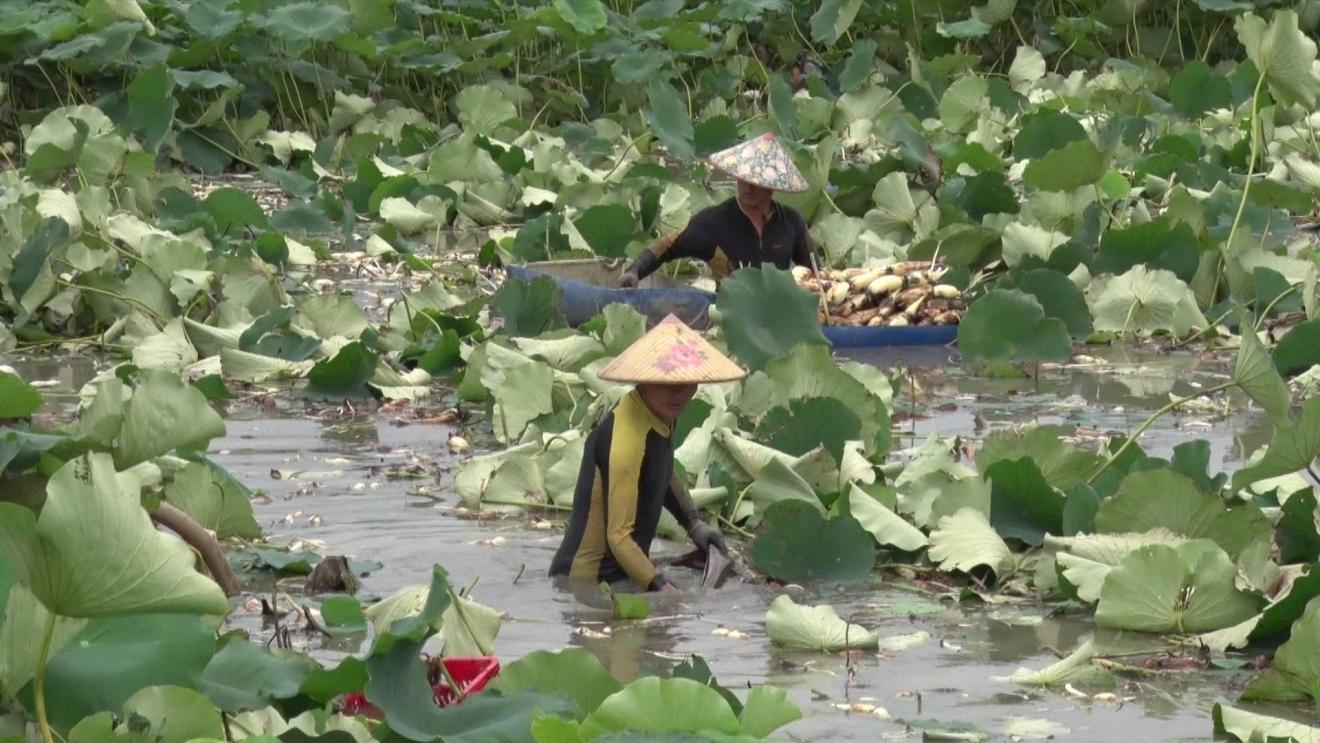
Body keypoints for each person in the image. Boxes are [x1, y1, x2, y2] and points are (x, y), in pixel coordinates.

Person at [549, 314, 745, 592]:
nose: (676, 394)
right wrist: (663, 589)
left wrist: (694, 524)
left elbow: (661, 472)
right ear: (644, 381)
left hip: (624, 573)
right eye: (665, 383)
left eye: (684, 383)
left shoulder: (658, 414)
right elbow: (618, 537)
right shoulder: (626, 437)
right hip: (587, 585)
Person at [619, 132, 815, 288]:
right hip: (730, 318)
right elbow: (669, 246)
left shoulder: (792, 222)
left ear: (772, 185)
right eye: (742, 179)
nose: (747, 187)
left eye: (756, 182)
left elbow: (813, 274)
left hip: (779, 314)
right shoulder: (714, 221)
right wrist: (635, 270)